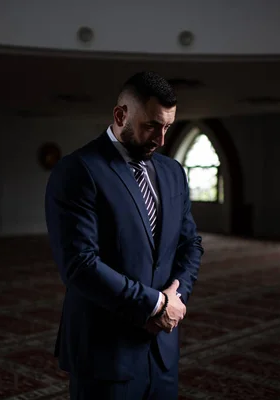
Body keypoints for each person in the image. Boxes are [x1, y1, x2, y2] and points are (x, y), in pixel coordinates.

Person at [45, 71, 204, 399]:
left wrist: (176, 297)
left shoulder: (173, 172)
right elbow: (79, 265)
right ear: (120, 115)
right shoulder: (78, 171)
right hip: (105, 353)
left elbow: (190, 244)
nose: (161, 139)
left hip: (162, 350)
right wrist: (155, 304)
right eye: (151, 126)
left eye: (168, 128)